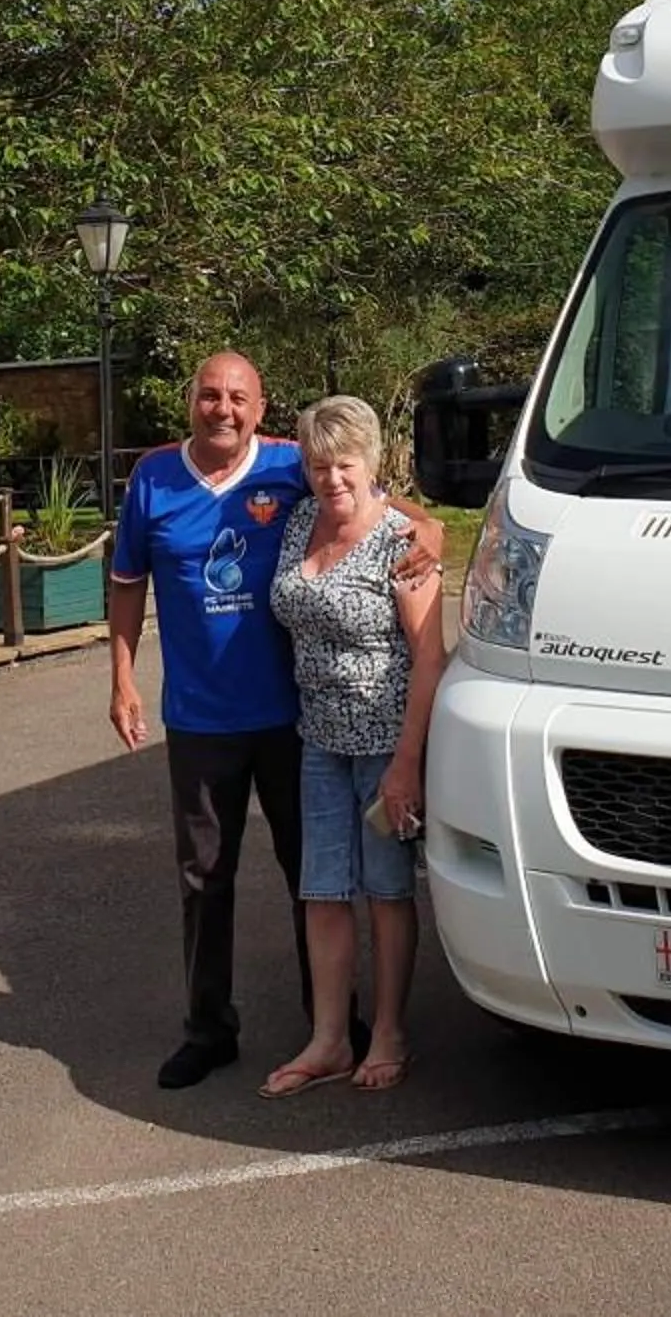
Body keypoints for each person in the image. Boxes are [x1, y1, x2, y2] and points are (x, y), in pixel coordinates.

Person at [106, 351, 444, 1089]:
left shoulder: (294, 463)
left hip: (292, 721)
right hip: (200, 717)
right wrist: (123, 678)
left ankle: (333, 1024)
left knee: (313, 876)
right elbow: (126, 582)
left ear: (259, 408)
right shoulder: (153, 479)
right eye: (209, 396)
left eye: (238, 398)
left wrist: (433, 532)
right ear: (190, 401)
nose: (222, 409)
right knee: (205, 876)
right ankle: (208, 1028)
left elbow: (379, 500)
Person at [257, 394, 446, 1097]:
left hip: (383, 743)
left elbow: (430, 657)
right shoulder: (302, 517)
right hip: (319, 740)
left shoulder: (402, 539)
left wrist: (407, 765)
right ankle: (331, 1038)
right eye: (318, 466)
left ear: (370, 465)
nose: (330, 480)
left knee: (387, 892)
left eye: (344, 465)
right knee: (324, 891)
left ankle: (390, 1031)